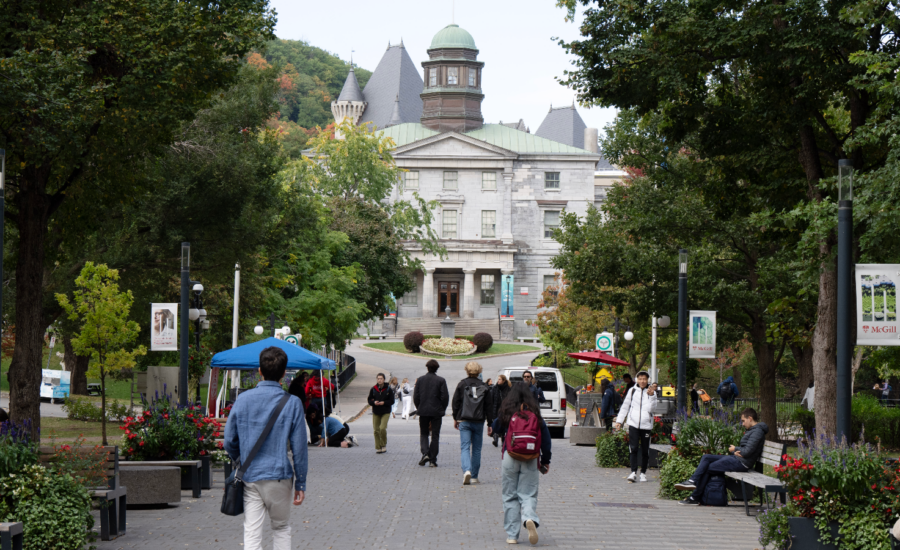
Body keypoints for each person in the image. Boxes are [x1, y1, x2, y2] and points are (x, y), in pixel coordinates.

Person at [223, 346, 307, 550]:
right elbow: (299, 449)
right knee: (281, 528)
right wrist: (301, 483)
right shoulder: (293, 403)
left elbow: (228, 441)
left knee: (251, 531)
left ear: (259, 371)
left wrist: (240, 458)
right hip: (279, 476)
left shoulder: (242, 399)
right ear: (284, 373)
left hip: (251, 476)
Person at [491, 382, 551, 545]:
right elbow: (546, 439)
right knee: (529, 493)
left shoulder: (507, 412)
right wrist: (545, 461)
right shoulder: (535, 414)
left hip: (510, 456)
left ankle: (512, 535)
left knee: (510, 495)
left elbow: (495, 427)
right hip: (531, 457)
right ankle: (529, 517)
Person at [676, 408, 768, 505]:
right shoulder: (752, 430)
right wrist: (735, 451)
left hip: (742, 463)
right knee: (706, 457)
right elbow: (745, 449)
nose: (742, 424)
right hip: (738, 459)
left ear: (750, 418)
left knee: (708, 467)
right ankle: (692, 481)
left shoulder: (757, 432)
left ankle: (694, 497)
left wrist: (734, 450)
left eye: (743, 421)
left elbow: (747, 451)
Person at [452, 361, 493, 486]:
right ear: (479, 371)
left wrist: (456, 418)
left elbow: (455, 403)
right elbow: (489, 407)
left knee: (465, 447)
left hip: (464, 419)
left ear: (467, 370)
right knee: (476, 449)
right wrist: (490, 423)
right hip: (479, 421)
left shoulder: (462, 384)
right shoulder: (485, 386)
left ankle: (466, 470)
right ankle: (474, 476)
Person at [613, 370, 658, 483]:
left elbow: (652, 410)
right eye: (640, 379)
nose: (642, 381)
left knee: (645, 450)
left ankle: (643, 473)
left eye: (645, 379)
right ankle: (633, 472)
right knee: (633, 448)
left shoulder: (652, 392)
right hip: (633, 424)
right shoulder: (632, 390)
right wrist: (619, 421)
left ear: (648, 380)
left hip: (646, 425)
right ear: (637, 379)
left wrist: (651, 396)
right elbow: (625, 406)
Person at [413, 359, 449, 467]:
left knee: (424, 433)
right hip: (436, 411)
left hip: (423, 410)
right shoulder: (441, 380)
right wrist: (442, 408)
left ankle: (425, 453)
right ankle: (433, 459)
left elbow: (416, 396)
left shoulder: (420, 380)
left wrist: (419, 406)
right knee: (435, 435)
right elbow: (445, 397)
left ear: (427, 367)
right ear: (437, 369)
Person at [367, 373, 394, 454]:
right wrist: (374, 402)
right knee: (376, 430)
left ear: (384, 379)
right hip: (376, 411)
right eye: (378, 378)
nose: (379, 380)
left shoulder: (388, 389)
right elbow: (369, 400)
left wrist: (384, 403)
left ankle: (383, 444)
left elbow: (392, 401)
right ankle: (378, 447)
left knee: (382, 428)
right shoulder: (373, 389)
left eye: (381, 378)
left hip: (385, 411)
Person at [490, 375, 512, 447]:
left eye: (500, 379)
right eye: (498, 379)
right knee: (496, 424)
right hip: (496, 410)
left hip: (505, 411)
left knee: (503, 425)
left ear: (503, 380)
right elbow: (491, 400)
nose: (498, 381)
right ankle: (495, 439)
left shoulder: (508, 389)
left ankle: (503, 441)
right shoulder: (494, 388)